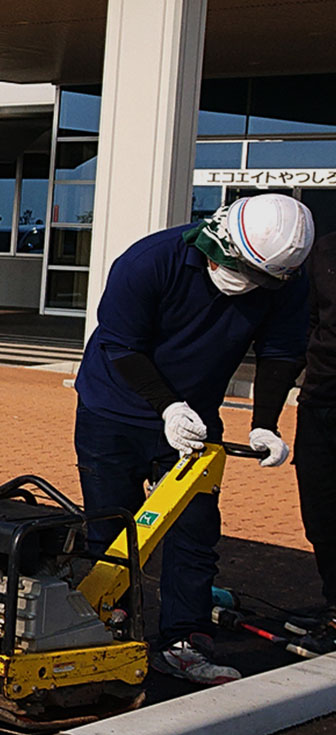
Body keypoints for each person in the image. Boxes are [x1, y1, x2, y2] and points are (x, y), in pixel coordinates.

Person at [75, 193, 314, 685]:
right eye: (237, 267)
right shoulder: (149, 262)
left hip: (198, 419)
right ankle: (109, 629)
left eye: (255, 277)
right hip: (111, 410)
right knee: (113, 529)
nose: (241, 281)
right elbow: (122, 344)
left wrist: (265, 422)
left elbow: (281, 351)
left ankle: (184, 640)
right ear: (217, 239)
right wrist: (168, 406)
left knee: (195, 531)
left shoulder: (287, 278)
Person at [294, 230, 336, 652]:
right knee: (320, 511)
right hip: (320, 397)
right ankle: (333, 603)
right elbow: (310, 320)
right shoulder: (325, 250)